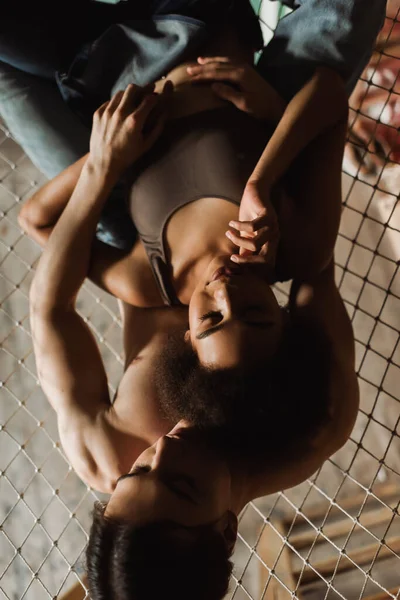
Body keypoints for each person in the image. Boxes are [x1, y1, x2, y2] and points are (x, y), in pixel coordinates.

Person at [1, 1, 387, 598]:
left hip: (119, 209)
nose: (165, 448)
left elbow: (49, 305)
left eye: (139, 472)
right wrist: (271, 145)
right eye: (182, 486)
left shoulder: (108, 450)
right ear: (226, 530)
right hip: (239, 160)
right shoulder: (316, 419)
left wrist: (104, 164)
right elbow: (314, 250)